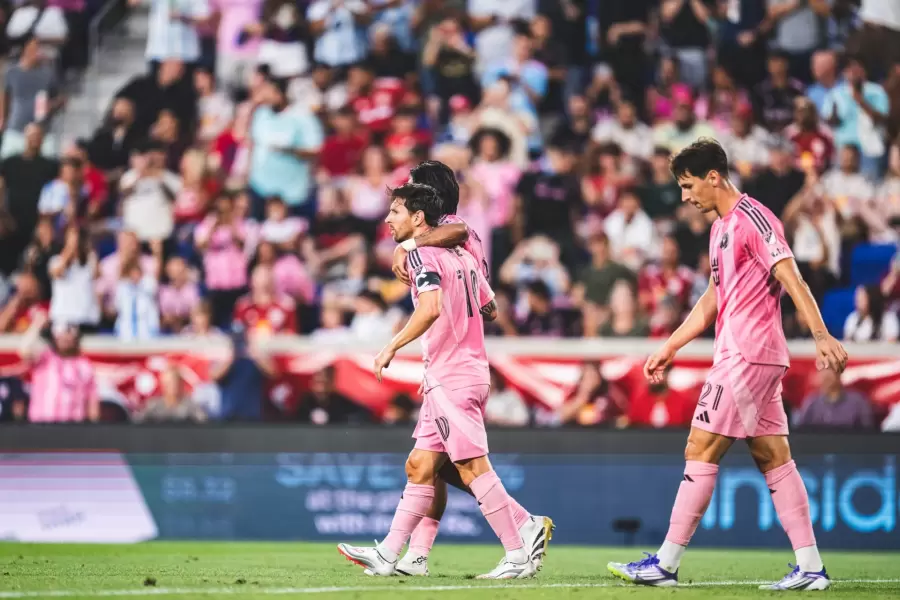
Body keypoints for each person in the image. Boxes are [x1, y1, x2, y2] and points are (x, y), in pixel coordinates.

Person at [608, 139, 848, 590]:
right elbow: (713, 300)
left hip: (746, 355)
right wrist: (671, 346)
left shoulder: (754, 219)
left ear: (713, 177)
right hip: (751, 355)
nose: (684, 196)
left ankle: (666, 563)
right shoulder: (721, 229)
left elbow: (790, 274)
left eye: (687, 185)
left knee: (700, 448)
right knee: (773, 456)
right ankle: (811, 568)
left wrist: (819, 334)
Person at [337, 183, 542, 580]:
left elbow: (429, 307)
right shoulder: (462, 255)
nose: (387, 219)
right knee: (420, 464)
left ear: (417, 217)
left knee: (470, 466)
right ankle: (391, 553)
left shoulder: (423, 255)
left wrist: (391, 346)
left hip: (452, 375)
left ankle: (518, 548)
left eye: (395, 211)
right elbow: (491, 307)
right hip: (461, 372)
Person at [387, 160, 552, 574]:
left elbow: (459, 232)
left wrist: (409, 247)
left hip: (454, 365)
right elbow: (491, 307)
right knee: (427, 466)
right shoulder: (448, 244)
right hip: (449, 361)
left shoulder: (452, 232)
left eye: (412, 187)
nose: (404, 194)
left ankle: (522, 529)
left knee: (460, 465)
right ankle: (415, 556)